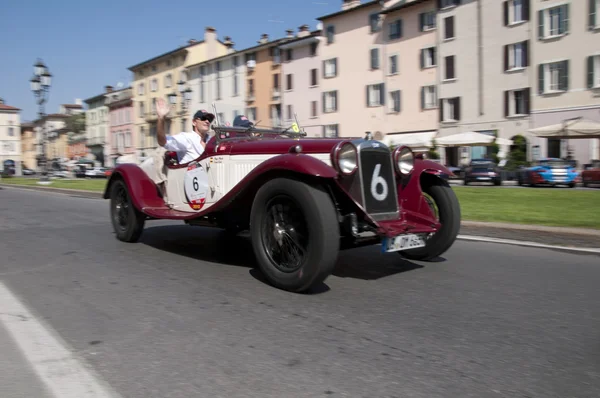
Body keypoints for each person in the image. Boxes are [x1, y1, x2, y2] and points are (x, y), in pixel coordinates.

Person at [155, 97, 215, 163]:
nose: (207, 121)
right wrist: (161, 118)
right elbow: (163, 142)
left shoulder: (212, 140)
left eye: (209, 119)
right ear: (194, 122)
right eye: (203, 118)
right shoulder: (187, 138)